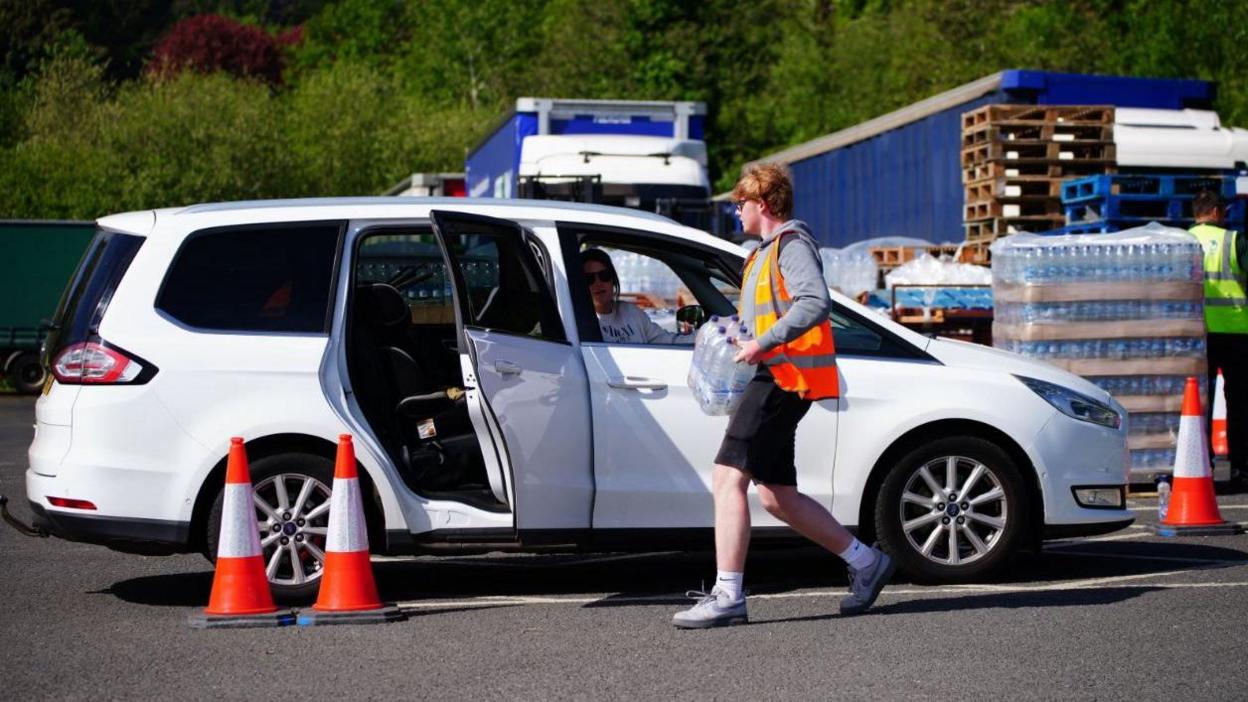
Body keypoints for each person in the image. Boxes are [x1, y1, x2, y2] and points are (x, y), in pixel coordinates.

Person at [672, 162, 895, 629]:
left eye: (741, 202)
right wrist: (742, 337)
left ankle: (728, 595)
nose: (735, 210)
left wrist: (762, 343)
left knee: (726, 476)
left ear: (765, 204)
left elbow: (815, 303)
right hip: (778, 376)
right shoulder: (761, 253)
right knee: (776, 496)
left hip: (782, 379)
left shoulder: (791, 245)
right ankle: (867, 563)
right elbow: (770, 313)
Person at [1189, 191, 1247, 489]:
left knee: (1200, 403)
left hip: (1198, 336)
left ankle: (1202, 465)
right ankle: (1240, 468)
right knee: (1239, 403)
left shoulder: (1183, 242)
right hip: (1237, 333)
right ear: (1214, 212)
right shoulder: (1234, 240)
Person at [581, 248, 693, 345]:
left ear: (613, 279)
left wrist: (701, 337)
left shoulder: (631, 312)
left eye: (604, 275)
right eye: (589, 279)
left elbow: (669, 341)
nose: (598, 283)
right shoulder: (578, 323)